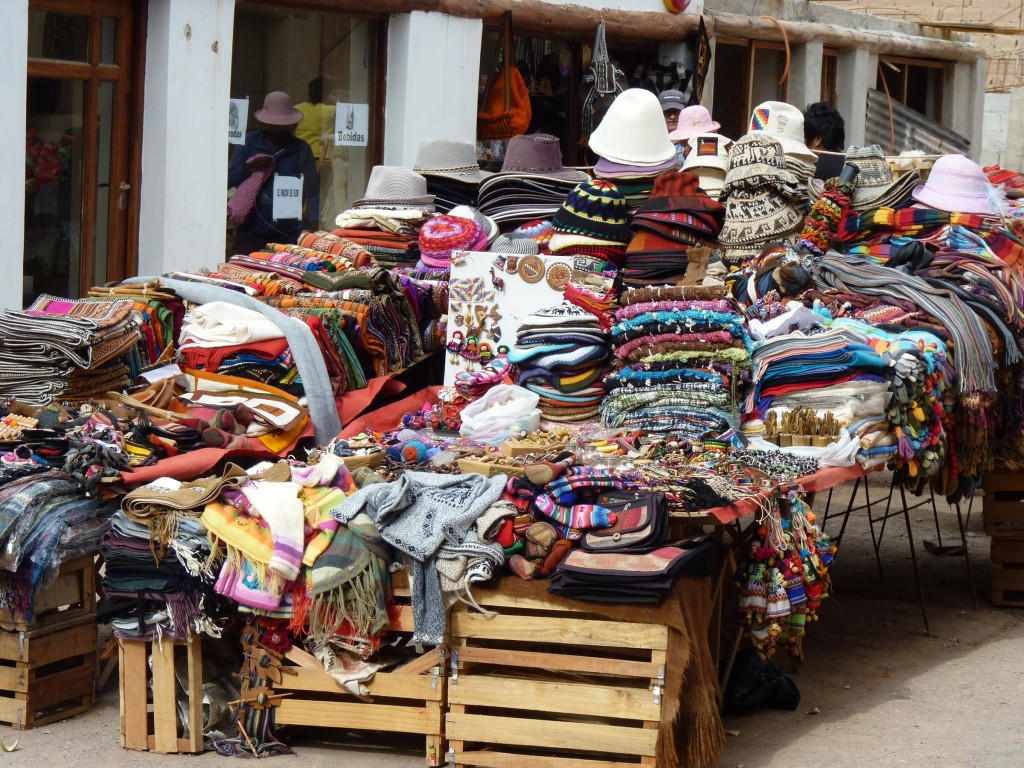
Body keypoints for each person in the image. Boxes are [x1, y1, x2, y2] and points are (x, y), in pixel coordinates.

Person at [228, 91, 319, 255]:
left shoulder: (301, 149)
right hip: (251, 229)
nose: (278, 130)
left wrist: (314, 220)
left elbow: (313, 188)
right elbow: (228, 180)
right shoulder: (248, 142)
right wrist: (248, 168)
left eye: (283, 125)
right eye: (274, 125)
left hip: (288, 232)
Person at [294, 77, 336, 162]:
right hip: (323, 157)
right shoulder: (331, 110)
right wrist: (337, 101)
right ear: (328, 93)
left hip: (300, 155)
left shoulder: (297, 109)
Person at [804, 102, 846, 180]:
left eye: (804, 137)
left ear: (817, 140)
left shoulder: (809, 168)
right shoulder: (847, 164)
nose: (802, 143)